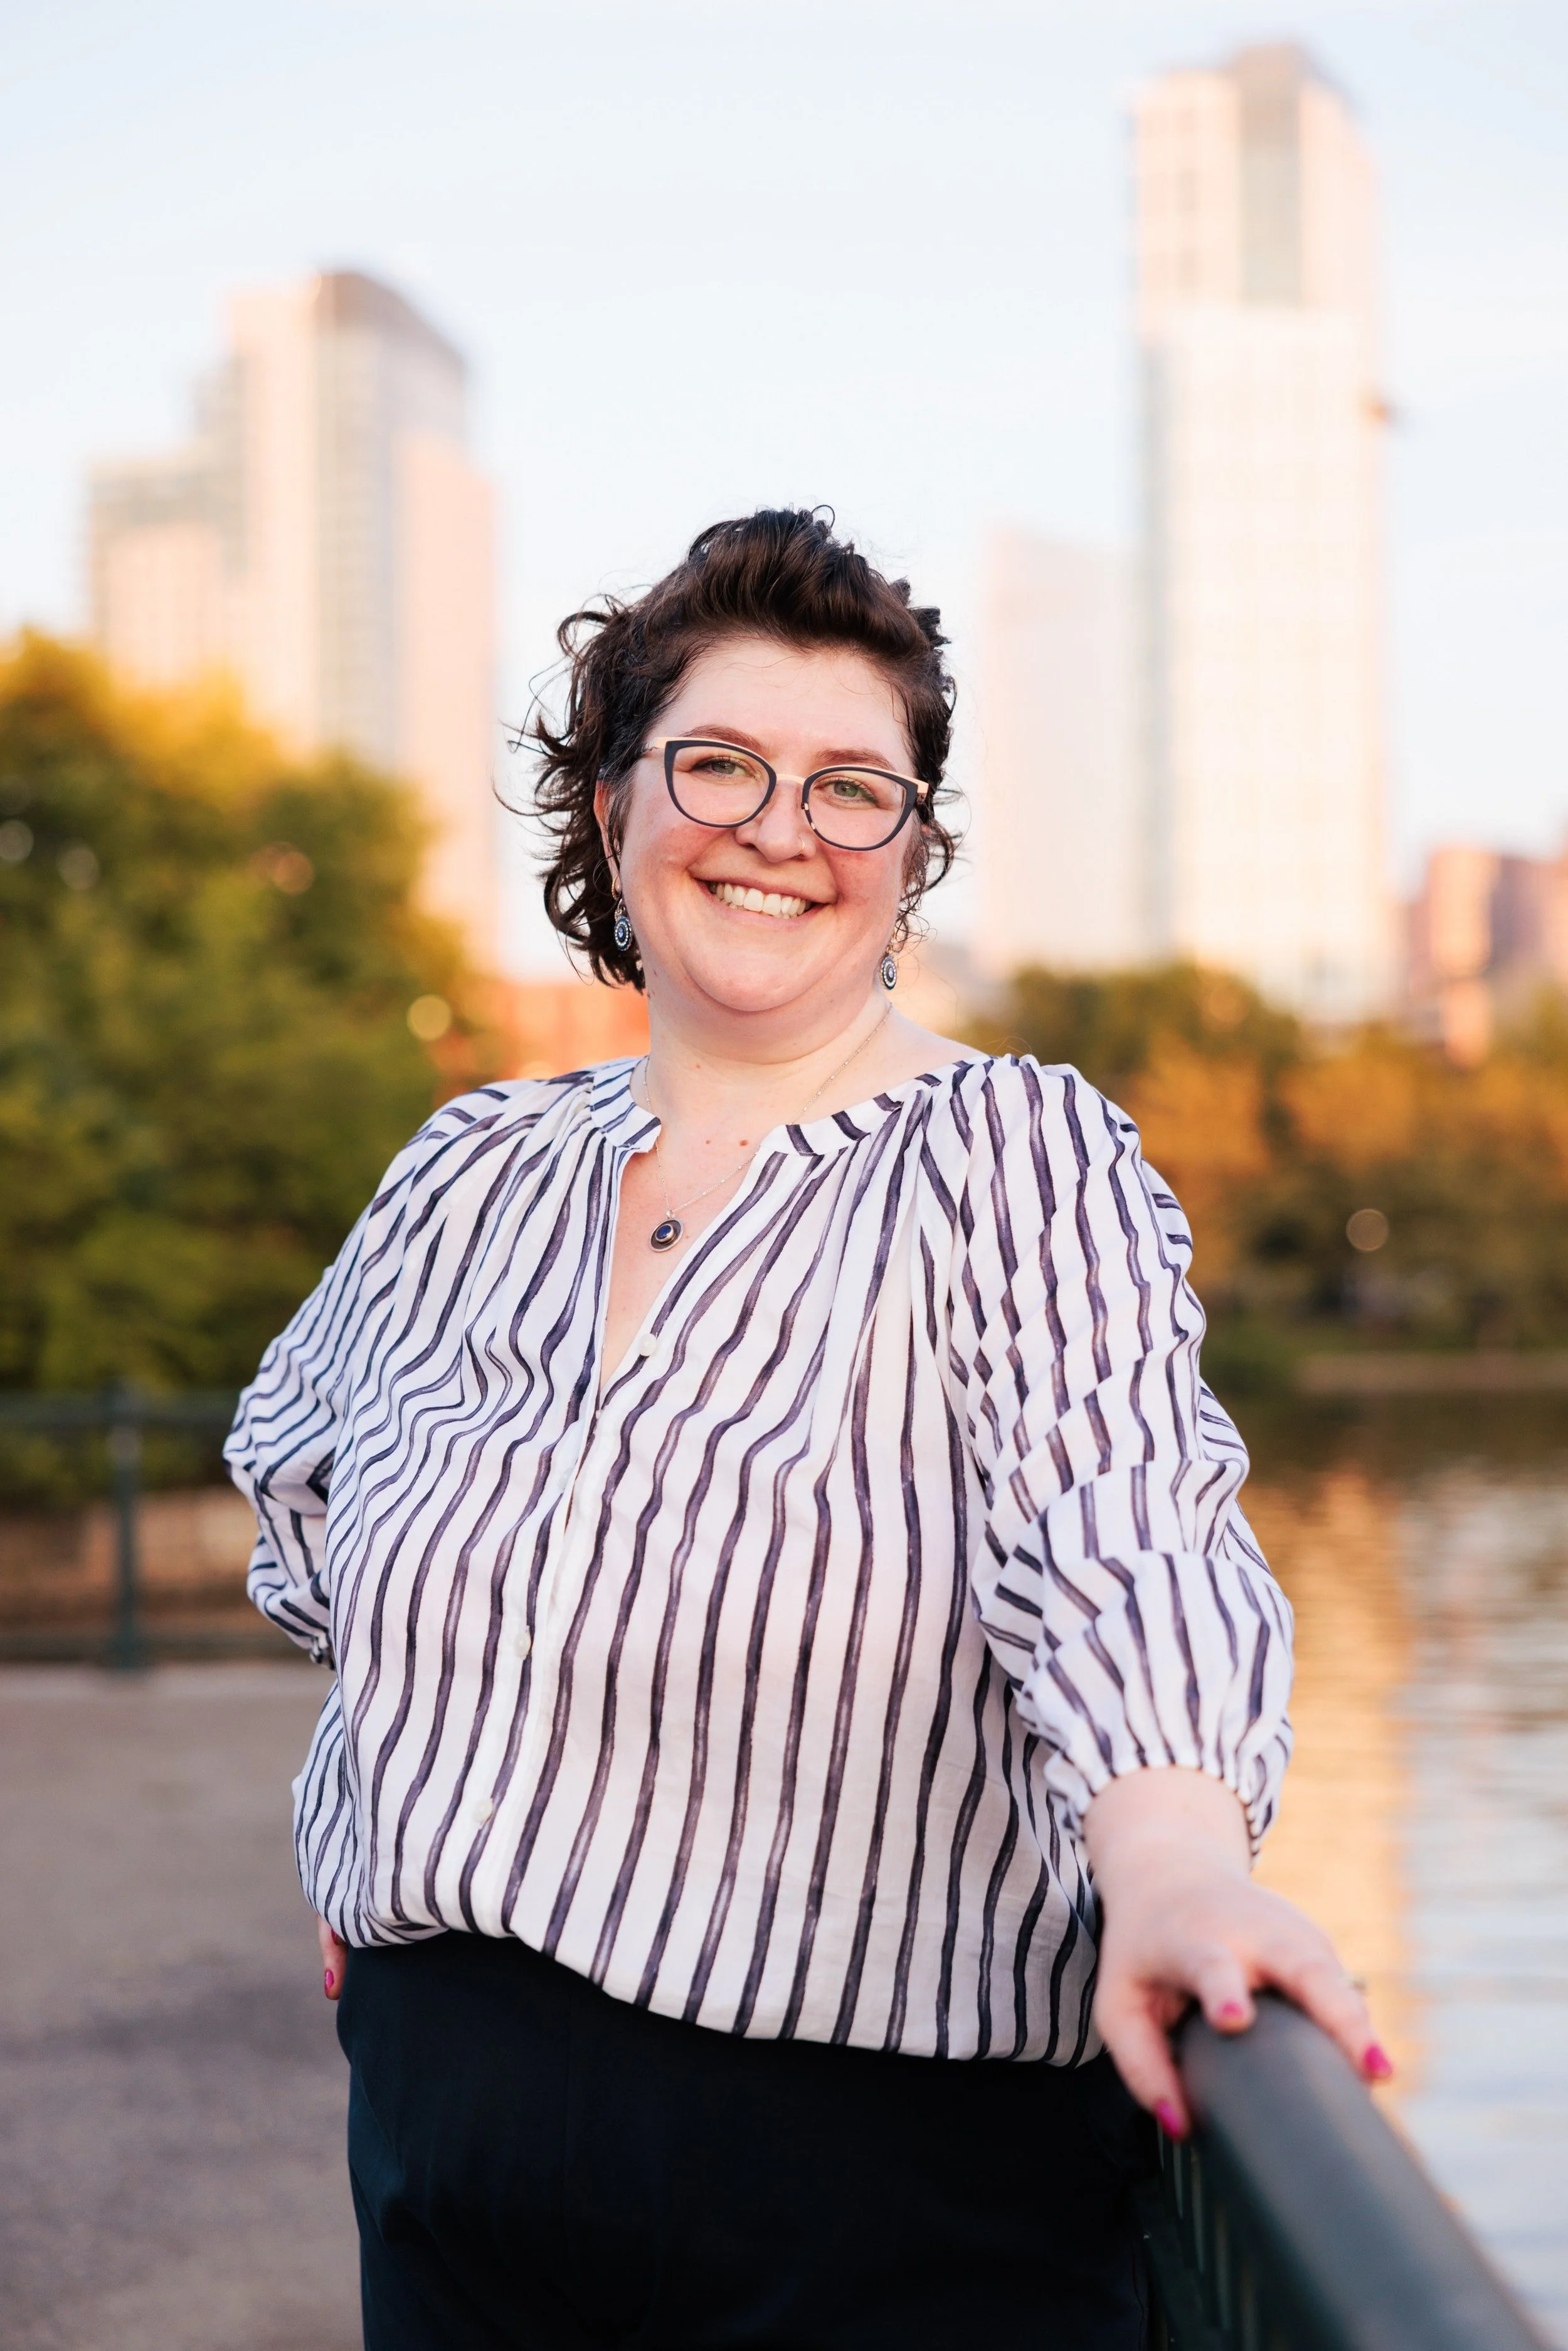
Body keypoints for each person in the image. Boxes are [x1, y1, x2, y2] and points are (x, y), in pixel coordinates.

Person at [227, 509, 1387, 2351]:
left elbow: (1120, 1527)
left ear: (909, 860)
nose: (782, 826)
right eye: (720, 764)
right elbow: (304, 1516)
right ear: (611, 810)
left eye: (856, 787)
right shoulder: (466, 1172)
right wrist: (408, 1808)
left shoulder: (1010, 1157)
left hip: (882, 2197)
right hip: (451, 2163)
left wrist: (1172, 1864)